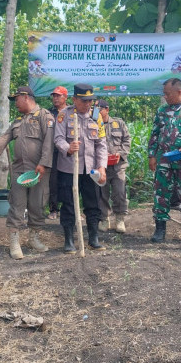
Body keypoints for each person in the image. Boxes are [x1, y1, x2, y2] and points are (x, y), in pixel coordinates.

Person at [0, 86, 55, 259]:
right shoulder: (18, 120)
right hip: (19, 170)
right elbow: (6, 136)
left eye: (16, 99)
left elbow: (49, 143)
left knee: (37, 204)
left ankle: (34, 237)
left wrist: (43, 164)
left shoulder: (44, 116)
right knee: (17, 204)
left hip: (39, 170)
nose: (15, 103)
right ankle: (14, 242)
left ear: (26, 97)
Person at [53, 83, 108, 253]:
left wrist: (102, 167)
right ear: (74, 99)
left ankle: (93, 238)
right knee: (68, 204)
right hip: (69, 169)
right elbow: (58, 139)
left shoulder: (96, 116)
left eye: (90, 101)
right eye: (84, 101)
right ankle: (69, 239)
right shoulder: (64, 115)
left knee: (93, 203)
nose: (88, 104)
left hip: (90, 169)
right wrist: (68, 148)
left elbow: (101, 144)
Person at [147, 78, 181, 245]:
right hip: (165, 159)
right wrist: (151, 155)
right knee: (161, 194)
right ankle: (160, 228)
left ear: (179, 92)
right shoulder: (162, 110)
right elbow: (155, 134)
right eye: (164, 94)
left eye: (167, 93)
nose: (165, 97)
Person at [96, 99, 131, 234]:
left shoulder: (118, 123)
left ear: (107, 109)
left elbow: (127, 140)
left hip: (118, 165)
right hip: (101, 165)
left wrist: (120, 154)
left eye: (100, 109)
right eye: (96, 109)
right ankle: (104, 219)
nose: (98, 112)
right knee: (102, 193)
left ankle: (120, 218)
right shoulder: (93, 124)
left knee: (119, 192)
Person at [46, 86, 69, 220]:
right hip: (53, 152)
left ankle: (68, 207)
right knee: (53, 181)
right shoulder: (49, 113)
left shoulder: (71, 112)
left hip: (68, 151)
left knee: (68, 180)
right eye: (54, 96)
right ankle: (53, 209)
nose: (55, 98)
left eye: (58, 96)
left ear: (65, 97)